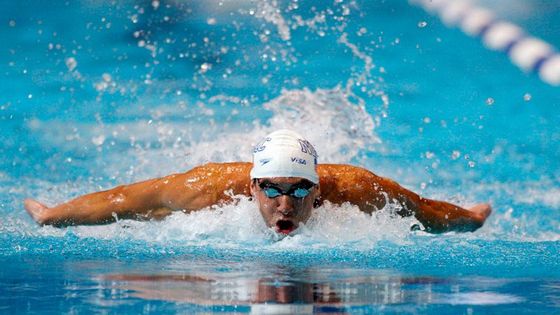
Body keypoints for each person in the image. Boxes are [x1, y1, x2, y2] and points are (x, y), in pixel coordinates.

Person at [24, 129, 491, 234]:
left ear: (319, 190)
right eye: (271, 189)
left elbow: (424, 211)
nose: (284, 204)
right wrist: (52, 216)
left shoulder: (357, 188)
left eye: (299, 190)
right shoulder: (207, 187)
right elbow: (124, 200)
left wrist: (470, 219)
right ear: (250, 187)